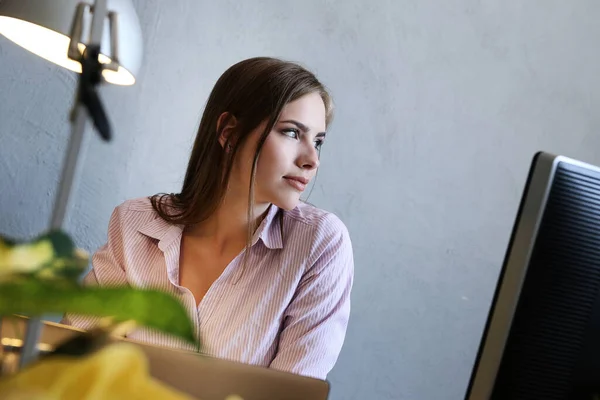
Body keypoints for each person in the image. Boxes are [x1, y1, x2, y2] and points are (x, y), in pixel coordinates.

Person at [62, 57, 354, 380]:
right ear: (229, 133)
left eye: (318, 142)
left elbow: (290, 392)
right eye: (291, 133)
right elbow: (73, 362)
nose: (311, 160)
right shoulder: (135, 225)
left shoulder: (320, 246)